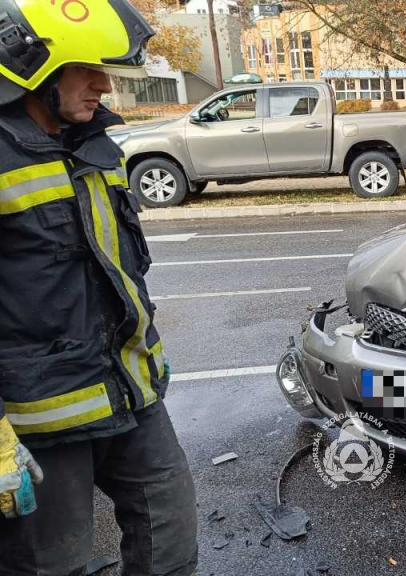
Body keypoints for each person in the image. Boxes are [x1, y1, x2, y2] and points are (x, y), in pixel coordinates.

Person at [0, 1, 198, 573]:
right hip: (39, 420)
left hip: (129, 394)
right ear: (31, 67)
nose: (103, 84)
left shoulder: (96, 145)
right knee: (54, 566)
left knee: (172, 540)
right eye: (85, 67)